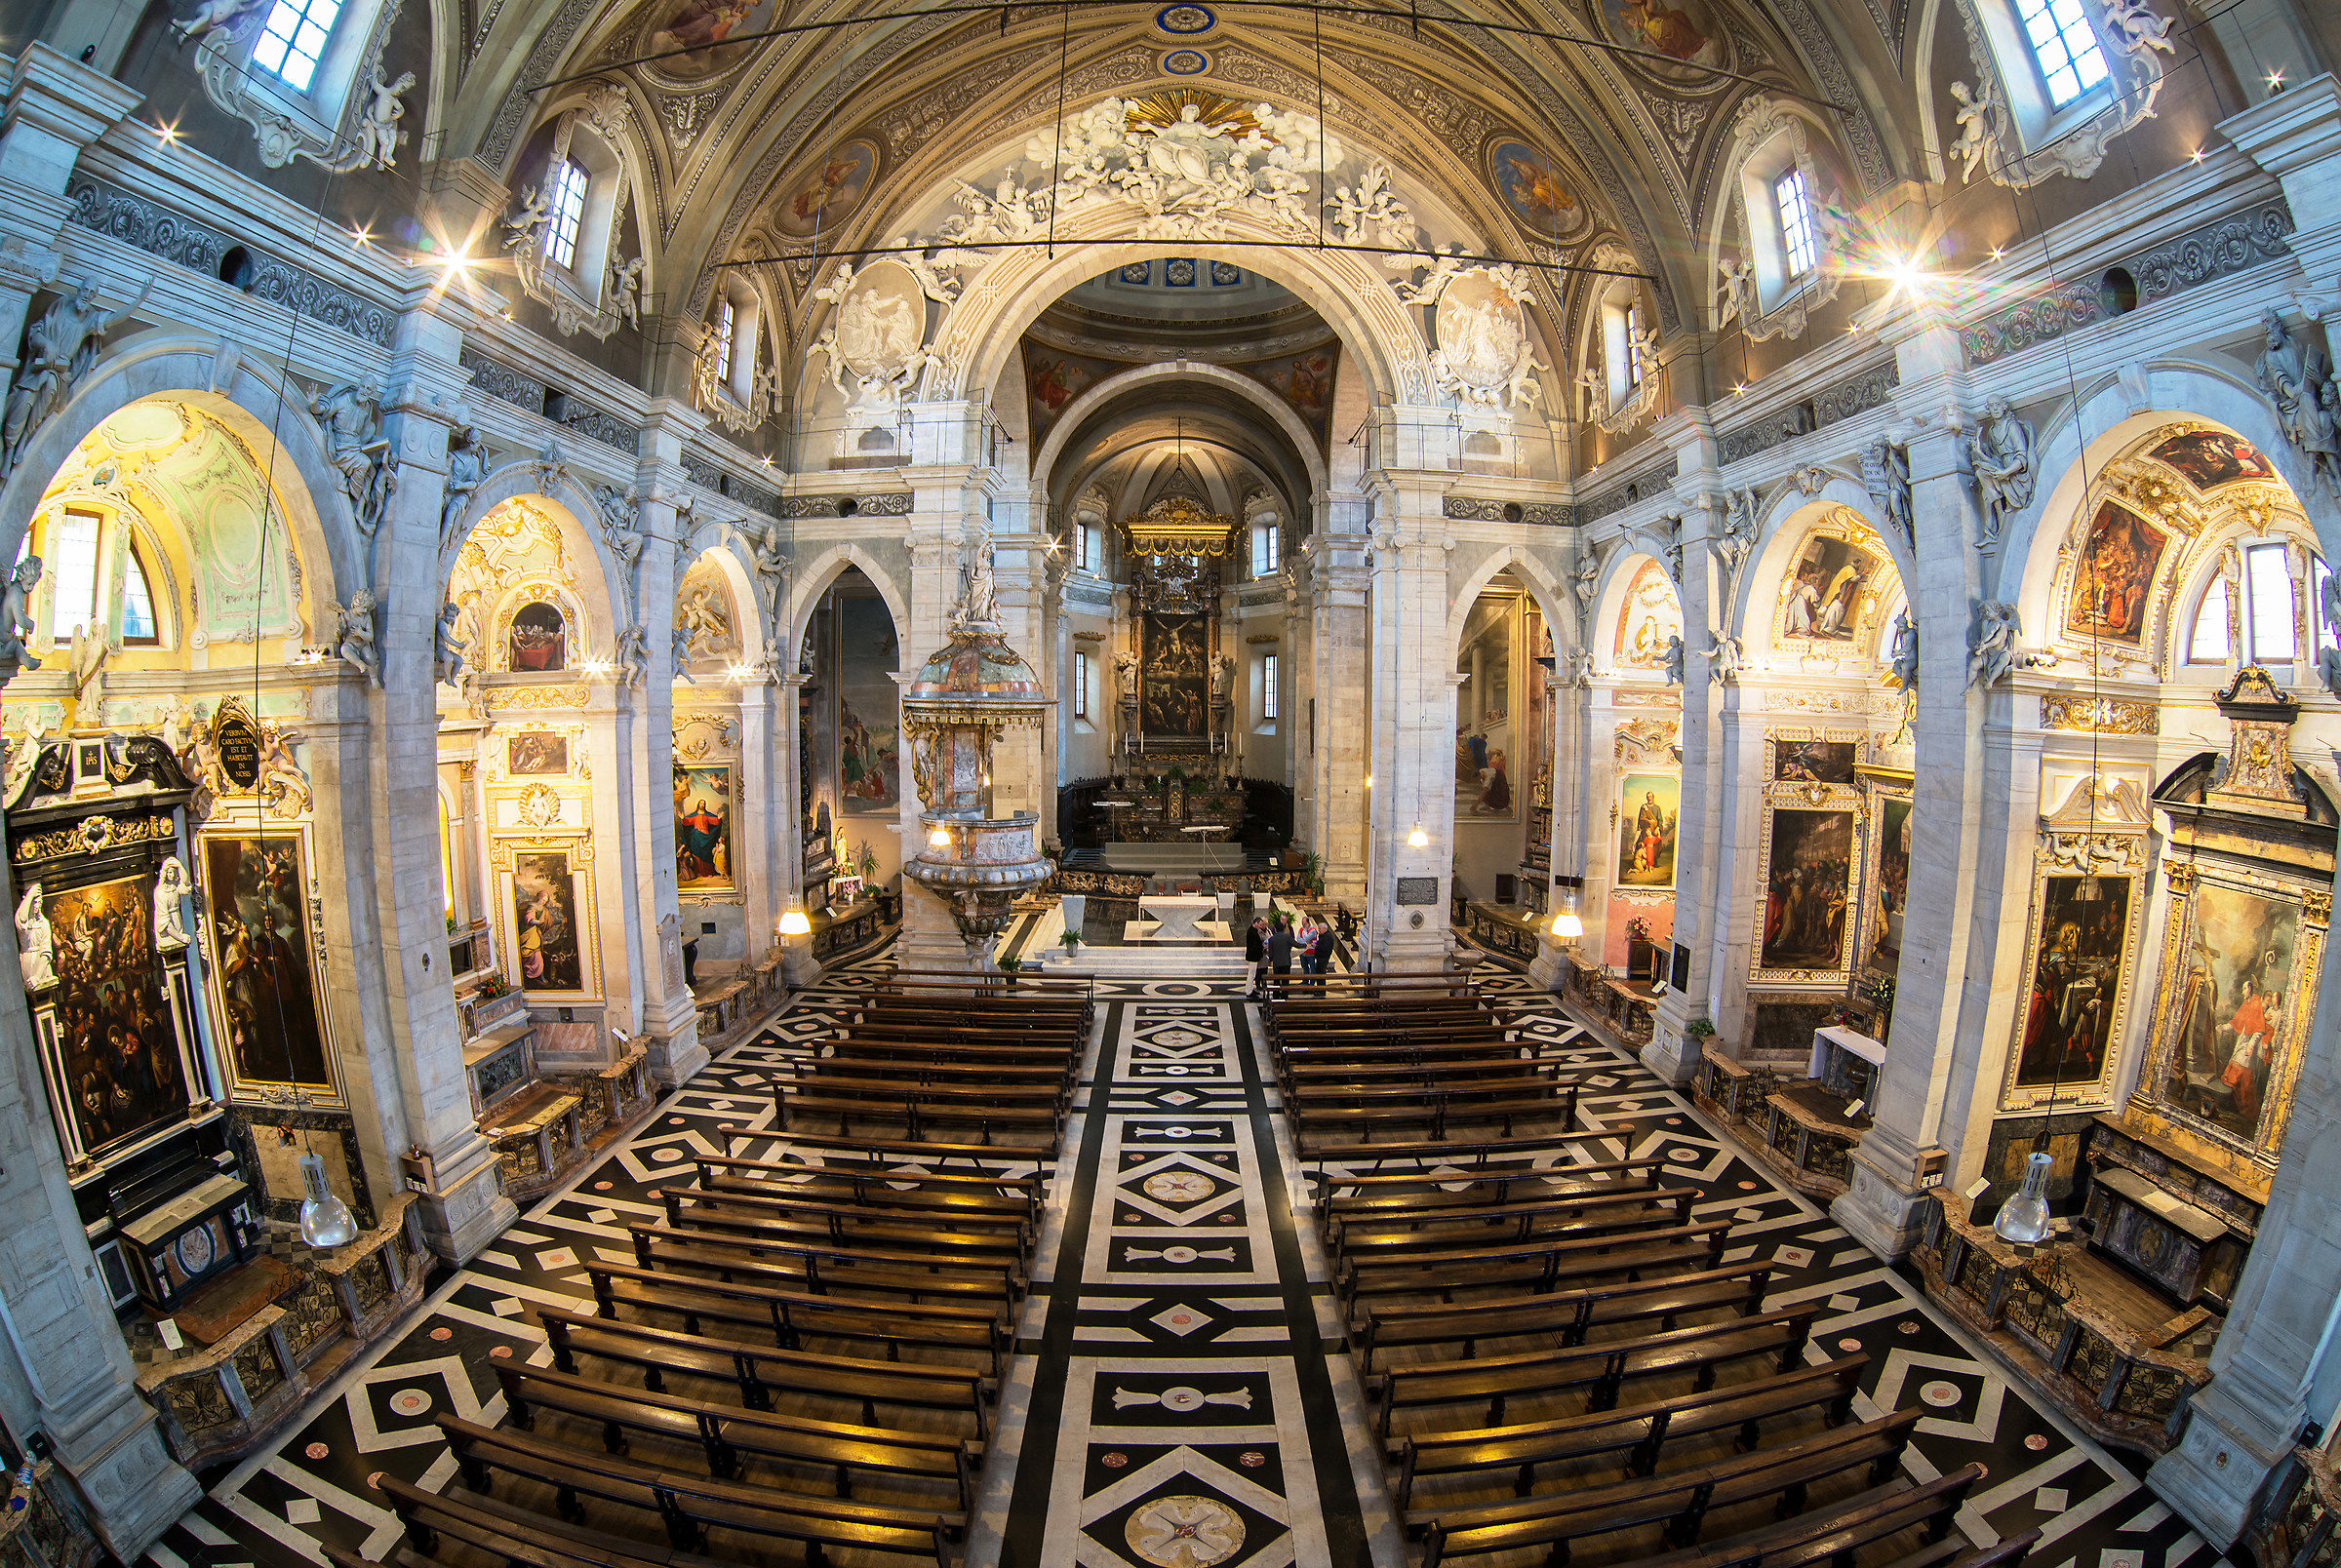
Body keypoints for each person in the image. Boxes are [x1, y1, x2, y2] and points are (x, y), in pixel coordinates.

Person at [1266, 916, 1295, 1000]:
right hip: (1286, 962)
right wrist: (1305, 945)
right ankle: (1285, 995)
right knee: (1285, 980)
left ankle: (1276, 995)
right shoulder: (1287, 937)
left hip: (1277, 962)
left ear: (1275, 930)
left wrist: (1270, 960)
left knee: (1276, 980)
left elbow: (1271, 953)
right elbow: (1296, 944)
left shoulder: (1272, 939)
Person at [1246, 917, 1270, 1000]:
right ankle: (1248, 991)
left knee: (1253, 974)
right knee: (1251, 975)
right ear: (1256, 923)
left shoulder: (1253, 931)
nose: (1260, 926)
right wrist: (1262, 946)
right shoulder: (1251, 932)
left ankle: (1251, 989)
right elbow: (1253, 946)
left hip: (1254, 956)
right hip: (1252, 956)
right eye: (1259, 924)